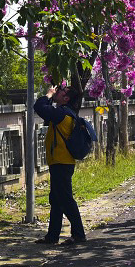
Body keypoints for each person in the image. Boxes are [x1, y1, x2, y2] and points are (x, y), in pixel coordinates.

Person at [33, 85, 87, 245]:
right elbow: (46, 112)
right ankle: (52, 236)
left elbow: (40, 107)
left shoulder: (63, 114)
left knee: (66, 199)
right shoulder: (65, 113)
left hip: (61, 162)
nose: (57, 92)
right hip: (60, 161)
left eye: (61, 92)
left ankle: (79, 234)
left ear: (66, 98)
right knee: (56, 200)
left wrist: (48, 94)